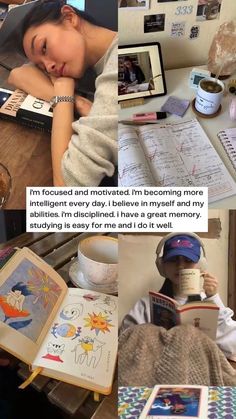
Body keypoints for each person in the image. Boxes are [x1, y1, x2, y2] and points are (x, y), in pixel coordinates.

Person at [7, 0, 118, 187]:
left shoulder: (119, 68)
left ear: (69, 16)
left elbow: (65, 187)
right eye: (41, 66)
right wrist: (80, 103)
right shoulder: (101, 62)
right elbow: (18, 74)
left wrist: (64, 96)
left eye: (44, 47)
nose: (49, 67)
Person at [120, 233, 236, 361]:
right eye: (173, 260)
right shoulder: (146, 305)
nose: (180, 266)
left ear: (200, 266)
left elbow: (233, 346)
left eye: (188, 260)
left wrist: (214, 298)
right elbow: (124, 342)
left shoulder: (210, 302)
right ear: (162, 265)